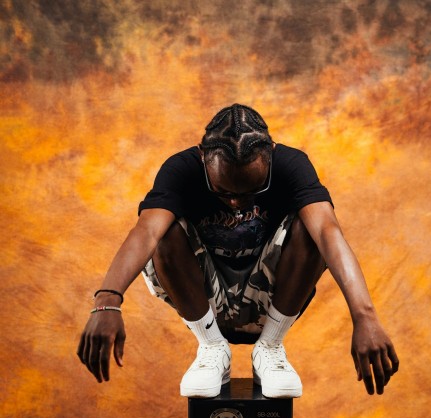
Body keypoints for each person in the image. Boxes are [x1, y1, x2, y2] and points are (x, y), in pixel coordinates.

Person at [77, 104, 399, 398]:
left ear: (271, 155)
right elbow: (146, 231)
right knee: (164, 230)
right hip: (203, 300)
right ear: (203, 157)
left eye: (250, 191)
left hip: (270, 297)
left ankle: (269, 348)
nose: (235, 203)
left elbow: (329, 233)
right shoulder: (180, 170)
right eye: (222, 191)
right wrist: (107, 302)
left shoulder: (292, 165)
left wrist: (364, 316)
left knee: (313, 228)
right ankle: (213, 348)